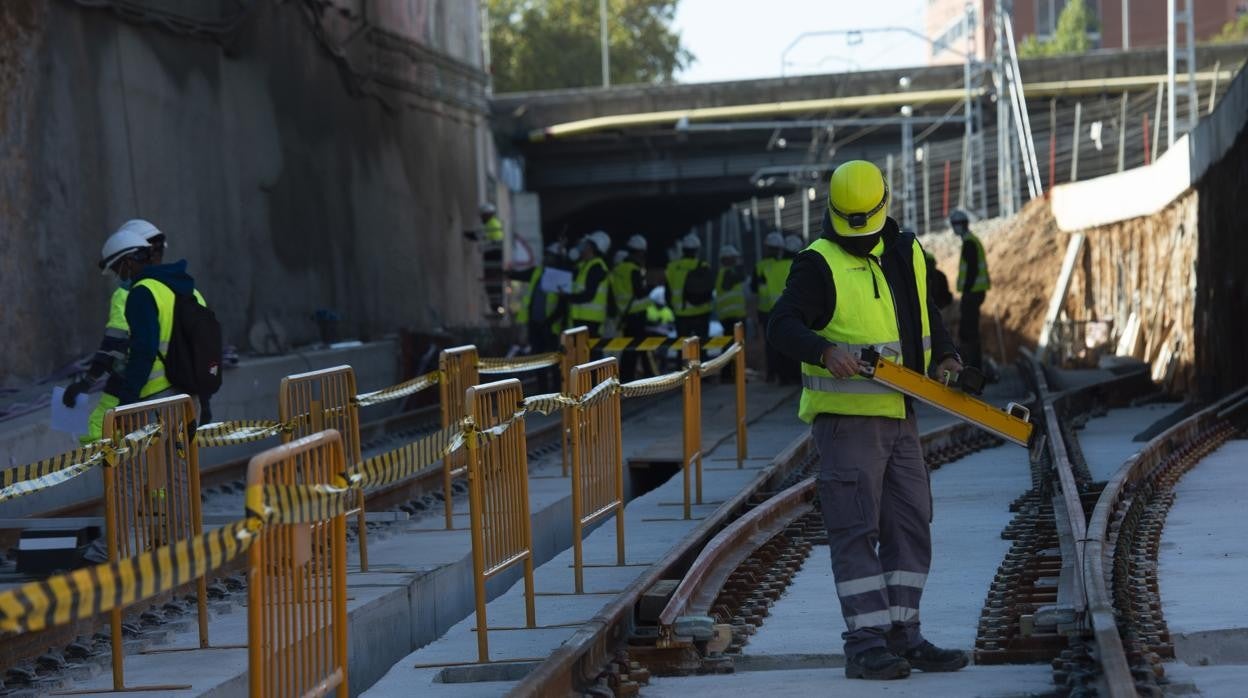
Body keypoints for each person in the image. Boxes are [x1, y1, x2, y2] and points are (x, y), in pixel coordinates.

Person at [767, 160, 967, 681]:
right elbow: (781, 326)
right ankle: (866, 645)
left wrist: (946, 356)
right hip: (848, 424)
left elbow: (928, 315)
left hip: (901, 417)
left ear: (884, 206)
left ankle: (905, 635)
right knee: (855, 530)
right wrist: (822, 349)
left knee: (909, 524)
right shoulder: (817, 263)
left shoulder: (907, 251)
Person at [64, 221, 167, 444]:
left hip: (135, 384)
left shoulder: (129, 294)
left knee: (94, 434)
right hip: (176, 388)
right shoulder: (172, 287)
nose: (119, 275)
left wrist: (86, 383)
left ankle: (121, 478)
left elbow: (114, 346)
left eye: (117, 267)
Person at [115, 230, 212, 422]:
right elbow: (206, 349)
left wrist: (126, 403)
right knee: (185, 453)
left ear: (128, 262)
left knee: (155, 454)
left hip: (157, 401)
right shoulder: (191, 291)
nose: (118, 276)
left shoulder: (142, 292)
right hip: (191, 397)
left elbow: (144, 350)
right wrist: (205, 401)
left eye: (117, 269)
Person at [950, 209, 990, 372]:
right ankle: (974, 366)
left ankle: (973, 367)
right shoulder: (972, 240)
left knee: (968, 331)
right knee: (970, 330)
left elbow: (972, 270)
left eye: (955, 225)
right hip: (976, 292)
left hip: (972, 293)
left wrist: (966, 291)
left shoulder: (969, 243)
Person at [610, 235, 650, 381]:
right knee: (637, 348)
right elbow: (639, 292)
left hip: (624, 313)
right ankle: (636, 377)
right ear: (640, 252)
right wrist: (649, 287)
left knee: (627, 348)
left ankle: (625, 377)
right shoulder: (634, 269)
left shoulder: (618, 269)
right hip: (637, 314)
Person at [754, 232, 790, 383]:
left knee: (770, 345)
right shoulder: (789, 264)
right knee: (786, 343)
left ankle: (772, 374)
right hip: (785, 310)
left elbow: (754, 288)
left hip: (766, 311)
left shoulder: (761, 266)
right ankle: (784, 375)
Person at [664, 233, 713, 339]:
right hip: (702, 312)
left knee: (683, 348)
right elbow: (710, 289)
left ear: (683, 249)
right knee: (701, 347)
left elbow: (667, 293)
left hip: (681, 314)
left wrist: (673, 309)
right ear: (697, 250)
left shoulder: (671, 268)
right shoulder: (704, 266)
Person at [566, 231, 611, 337]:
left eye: (586, 244)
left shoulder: (596, 267)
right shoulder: (584, 265)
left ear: (592, 247)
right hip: (581, 319)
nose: (582, 246)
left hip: (590, 321)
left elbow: (589, 295)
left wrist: (568, 297)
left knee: (590, 352)